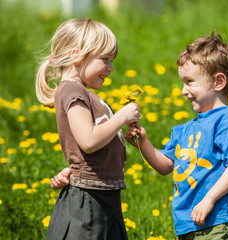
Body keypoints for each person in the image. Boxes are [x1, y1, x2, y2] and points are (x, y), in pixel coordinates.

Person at [52, 31, 228, 239]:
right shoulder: (185, 129)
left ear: (219, 82)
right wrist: (143, 143)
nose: (183, 90)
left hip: (219, 220)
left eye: (190, 82)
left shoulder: (226, 121)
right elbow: (165, 166)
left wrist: (209, 199)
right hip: (188, 223)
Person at [35, 18, 140, 240]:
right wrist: (121, 117)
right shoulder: (73, 91)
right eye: (105, 59)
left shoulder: (81, 92)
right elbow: (89, 141)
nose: (110, 68)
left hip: (102, 195)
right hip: (90, 201)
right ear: (76, 55)